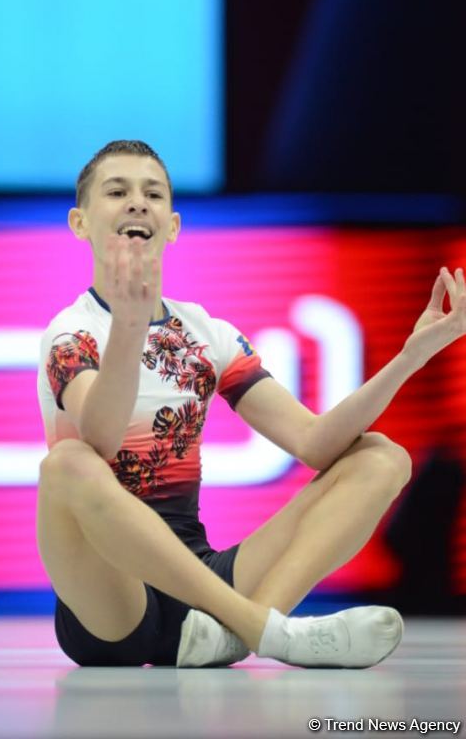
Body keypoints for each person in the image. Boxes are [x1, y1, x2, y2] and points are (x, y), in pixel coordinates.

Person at [36, 140, 466, 668]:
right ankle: (265, 631)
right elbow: (100, 439)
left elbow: (315, 444)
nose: (136, 202)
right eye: (117, 191)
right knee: (68, 464)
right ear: (80, 224)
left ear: (171, 226)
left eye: (152, 193)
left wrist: (411, 356)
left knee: (382, 456)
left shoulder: (206, 333)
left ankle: (243, 630)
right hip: (111, 603)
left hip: (203, 593)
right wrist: (127, 325)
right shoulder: (72, 331)